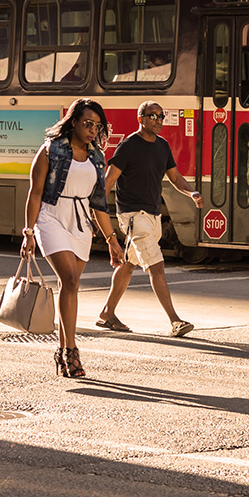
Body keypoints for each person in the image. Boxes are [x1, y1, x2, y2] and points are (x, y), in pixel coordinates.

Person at [22, 98, 125, 378]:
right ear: (74, 122)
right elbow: (35, 193)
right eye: (88, 123)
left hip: (80, 222)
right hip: (51, 217)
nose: (93, 130)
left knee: (70, 286)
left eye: (97, 126)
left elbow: (99, 203)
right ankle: (72, 351)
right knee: (69, 278)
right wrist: (28, 232)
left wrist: (113, 241)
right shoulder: (49, 151)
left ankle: (61, 349)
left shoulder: (96, 156)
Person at [97, 101, 204, 337]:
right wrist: (97, 213)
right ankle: (175, 321)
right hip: (134, 216)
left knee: (128, 265)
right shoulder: (128, 147)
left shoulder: (162, 146)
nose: (158, 120)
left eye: (161, 116)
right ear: (140, 118)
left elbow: (175, 178)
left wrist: (192, 192)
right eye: (152, 115)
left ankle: (107, 313)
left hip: (152, 215)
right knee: (157, 266)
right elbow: (107, 182)